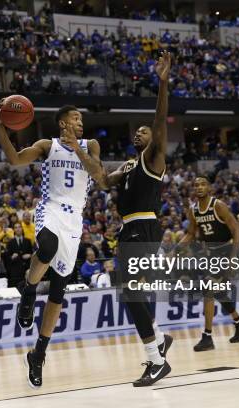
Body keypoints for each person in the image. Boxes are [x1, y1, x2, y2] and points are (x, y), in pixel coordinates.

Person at [73, 53, 172, 386]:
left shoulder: (154, 158)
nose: (138, 134)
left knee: (129, 292)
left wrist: (162, 82)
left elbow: (160, 119)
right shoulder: (129, 167)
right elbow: (102, 179)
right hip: (132, 229)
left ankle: (155, 359)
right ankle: (158, 339)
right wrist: (79, 150)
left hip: (143, 225)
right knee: (132, 292)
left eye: (143, 131)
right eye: (136, 132)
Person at [0, 101, 102, 388]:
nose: (81, 122)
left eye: (81, 118)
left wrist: (78, 149)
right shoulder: (47, 144)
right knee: (47, 248)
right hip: (50, 208)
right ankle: (28, 291)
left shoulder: (90, 145)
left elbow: (99, 175)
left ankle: (38, 353)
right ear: (63, 123)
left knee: (58, 290)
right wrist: (0, 127)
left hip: (74, 220)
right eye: (76, 117)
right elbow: (15, 160)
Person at [180, 176, 239, 352]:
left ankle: (207, 337)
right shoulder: (193, 210)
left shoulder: (218, 205)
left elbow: (237, 229)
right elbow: (190, 234)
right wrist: (173, 250)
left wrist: (232, 258)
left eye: (203, 184)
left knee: (208, 290)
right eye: (196, 185)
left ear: (209, 188)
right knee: (218, 292)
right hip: (211, 254)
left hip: (226, 251)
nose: (199, 187)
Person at [4, 224, 33, 288]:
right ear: (14, 230)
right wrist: (12, 257)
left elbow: (33, 253)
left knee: (28, 288)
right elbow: (6, 257)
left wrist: (30, 255)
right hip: (15, 270)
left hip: (26, 269)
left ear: (22, 229)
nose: (18, 229)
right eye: (16, 227)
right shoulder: (10, 242)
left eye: (19, 227)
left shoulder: (28, 241)